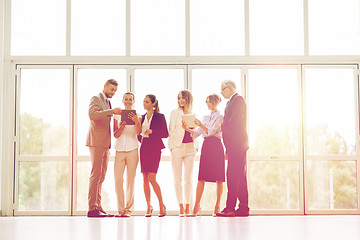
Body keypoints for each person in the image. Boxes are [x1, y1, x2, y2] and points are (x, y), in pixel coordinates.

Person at [182, 94, 225, 217]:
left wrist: (200, 125)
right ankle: (196, 207)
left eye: (208, 102)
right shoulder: (205, 117)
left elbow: (211, 131)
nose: (207, 104)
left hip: (216, 146)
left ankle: (217, 206)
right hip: (206, 146)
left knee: (219, 177)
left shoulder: (220, 117)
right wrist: (188, 129)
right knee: (201, 177)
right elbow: (197, 133)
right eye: (206, 102)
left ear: (214, 102)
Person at [86, 79, 121, 218]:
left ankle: (98, 207)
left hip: (105, 144)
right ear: (105, 87)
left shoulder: (107, 102)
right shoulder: (96, 98)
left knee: (101, 176)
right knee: (95, 176)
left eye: (115, 91)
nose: (113, 92)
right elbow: (92, 115)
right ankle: (92, 209)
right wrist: (111, 111)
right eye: (111, 89)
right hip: (96, 142)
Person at [216, 80, 249, 217]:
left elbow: (235, 121)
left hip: (238, 144)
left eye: (222, 89)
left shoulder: (238, 100)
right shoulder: (230, 102)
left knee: (232, 175)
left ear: (229, 88)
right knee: (240, 176)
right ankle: (243, 208)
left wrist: (222, 126)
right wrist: (227, 148)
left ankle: (230, 208)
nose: (221, 92)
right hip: (234, 145)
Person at [138, 94, 168, 217]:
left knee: (152, 178)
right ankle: (148, 206)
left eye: (147, 102)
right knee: (144, 178)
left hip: (155, 148)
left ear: (153, 103)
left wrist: (152, 132)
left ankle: (161, 205)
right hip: (144, 147)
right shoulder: (141, 117)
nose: (144, 103)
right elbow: (138, 134)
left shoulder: (160, 117)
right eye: (143, 101)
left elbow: (165, 133)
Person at [169, 90, 197, 217]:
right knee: (177, 178)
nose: (180, 101)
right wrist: (171, 147)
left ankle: (187, 206)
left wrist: (196, 146)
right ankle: (180, 206)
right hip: (177, 148)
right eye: (179, 98)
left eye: (183, 98)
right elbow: (171, 130)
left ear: (188, 100)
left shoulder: (193, 114)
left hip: (190, 147)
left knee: (188, 179)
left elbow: (195, 132)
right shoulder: (174, 113)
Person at [113, 92, 141, 217]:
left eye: (130, 99)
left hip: (133, 149)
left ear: (133, 101)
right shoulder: (117, 116)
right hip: (119, 150)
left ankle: (128, 209)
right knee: (118, 180)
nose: (128, 101)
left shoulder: (138, 115)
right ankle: (120, 209)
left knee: (131, 180)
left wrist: (136, 122)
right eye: (126, 99)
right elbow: (115, 135)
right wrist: (122, 127)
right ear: (123, 100)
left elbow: (139, 133)